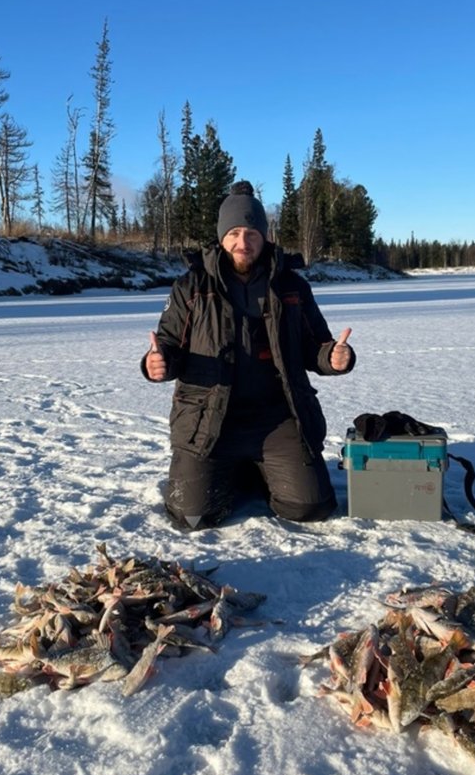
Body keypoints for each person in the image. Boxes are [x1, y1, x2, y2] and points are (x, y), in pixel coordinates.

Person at [141, 179, 355, 530]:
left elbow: (315, 346)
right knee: (193, 517)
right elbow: (168, 348)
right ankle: (231, 468)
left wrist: (333, 357)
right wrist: (156, 364)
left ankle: (262, 467)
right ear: (222, 236)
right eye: (234, 233)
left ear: (265, 237)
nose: (243, 243)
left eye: (252, 233)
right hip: (210, 419)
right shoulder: (191, 287)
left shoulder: (292, 286)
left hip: (278, 417)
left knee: (310, 508)